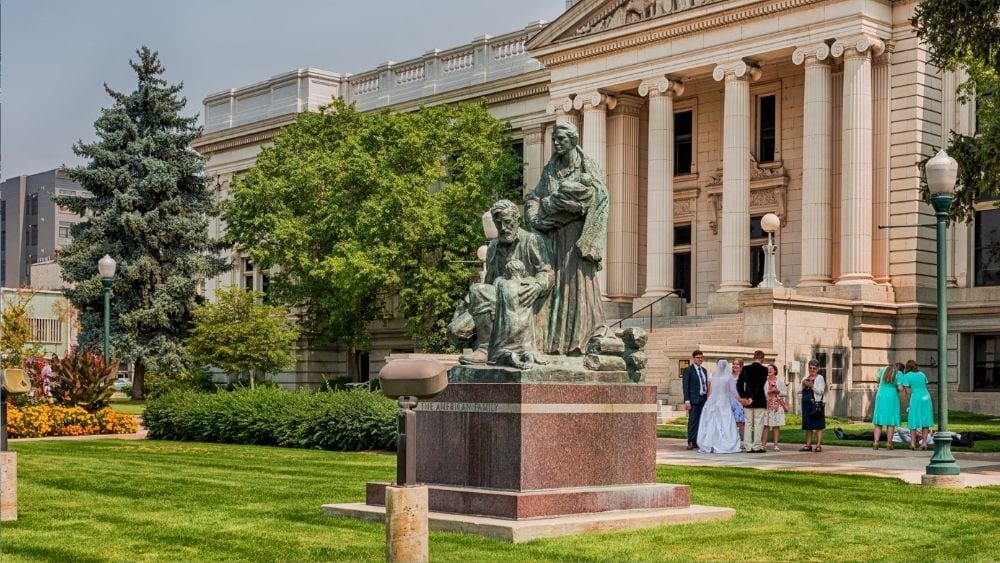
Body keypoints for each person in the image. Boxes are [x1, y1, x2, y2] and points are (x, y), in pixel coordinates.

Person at [525, 121, 609, 355]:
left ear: (573, 140)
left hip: (576, 237)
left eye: (560, 139)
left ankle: (582, 338)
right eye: (554, 139)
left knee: (577, 285)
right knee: (556, 288)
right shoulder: (550, 169)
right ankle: (555, 343)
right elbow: (535, 196)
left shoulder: (587, 165)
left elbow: (600, 196)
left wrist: (560, 203)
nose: (556, 143)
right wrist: (533, 215)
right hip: (553, 236)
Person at [447, 200, 554, 364]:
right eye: (498, 224)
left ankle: (485, 349)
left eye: (508, 222)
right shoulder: (494, 247)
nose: (503, 228)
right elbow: (488, 281)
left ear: (517, 220)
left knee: (477, 290)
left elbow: (547, 272)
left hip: (522, 300)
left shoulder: (531, 240)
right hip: (496, 300)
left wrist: (538, 285)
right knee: (456, 331)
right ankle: (485, 343)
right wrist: (468, 304)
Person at [488, 260, 546, 369]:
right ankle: (527, 355)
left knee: (503, 352)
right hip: (525, 336)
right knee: (526, 350)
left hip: (507, 332)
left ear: (507, 271)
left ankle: (512, 357)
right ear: (523, 271)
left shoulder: (501, 283)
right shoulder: (530, 284)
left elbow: (492, 295)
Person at [696, 359, 742, 454]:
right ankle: (724, 443)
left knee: (711, 422)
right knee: (725, 421)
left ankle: (710, 443)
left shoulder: (713, 375)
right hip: (723, 401)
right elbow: (733, 391)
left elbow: (709, 390)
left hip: (713, 400)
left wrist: (708, 401)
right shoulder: (728, 377)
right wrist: (741, 400)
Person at [737, 350, 768, 453]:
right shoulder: (764, 369)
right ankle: (756, 446)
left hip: (747, 400)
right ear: (762, 358)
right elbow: (760, 385)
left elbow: (739, 384)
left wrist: (745, 397)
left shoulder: (746, 368)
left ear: (753, 357)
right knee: (759, 423)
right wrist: (753, 397)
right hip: (759, 399)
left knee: (748, 423)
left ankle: (748, 446)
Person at [900, 359, 934, 450]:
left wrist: (909, 401)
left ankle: (912, 443)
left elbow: (907, 391)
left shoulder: (906, 376)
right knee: (925, 420)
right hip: (926, 397)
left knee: (913, 420)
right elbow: (924, 385)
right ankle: (924, 443)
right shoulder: (922, 374)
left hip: (915, 398)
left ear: (907, 367)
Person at [871, 363, 903, 450]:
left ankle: (876, 443)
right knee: (891, 422)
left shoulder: (882, 369)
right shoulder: (899, 373)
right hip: (892, 396)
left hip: (881, 394)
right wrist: (900, 387)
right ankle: (889, 443)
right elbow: (900, 388)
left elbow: (877, 380)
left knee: (878, 422)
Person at [682, 349, 709, 450]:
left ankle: (697, 441)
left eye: (701, 358)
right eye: (698, 358)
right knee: (693, 421)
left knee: (701, 421)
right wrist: (687, 401)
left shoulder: (704, 371)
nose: (700, 359)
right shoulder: (688, 370)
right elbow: (685, 386)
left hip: (703, 398)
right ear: (693, 358)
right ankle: (690, 441)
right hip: (693, 399)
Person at [801, 359, 826, 452]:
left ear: (818, 369)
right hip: (806, 404)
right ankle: (808, 445)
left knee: (818, 425)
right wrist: (803, 384)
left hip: (816, 404)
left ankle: (818, 445)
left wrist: (812, 386)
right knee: (808, 425)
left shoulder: (820, 378)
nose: (812, 370)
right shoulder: (805, 377)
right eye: (810, 368)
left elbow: (821, 391)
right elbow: (798, 391)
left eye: (814, 368)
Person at [762, 363, 788, 452]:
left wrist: (778, 391)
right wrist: (768, 392)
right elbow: (761, 393)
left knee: (776, 426)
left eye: (771, 369)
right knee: (765, 425)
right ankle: (763, 445)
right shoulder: (764, 381)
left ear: (775, 371)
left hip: (777, 405)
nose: (769, 370)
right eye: (768, 369)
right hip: (767, 405)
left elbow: (785, 392)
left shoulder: (779, 381)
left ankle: (776, 445)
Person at [730, 358, 746, 448]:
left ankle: (743, 441)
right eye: (733, 364)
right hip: (730, 401)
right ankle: (733, 440)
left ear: (741, 366)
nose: (735, 366)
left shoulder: (744, 376)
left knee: (741, 422)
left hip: (740, 401)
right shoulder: (729, 376)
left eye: (737, 364)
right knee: (732, 422)